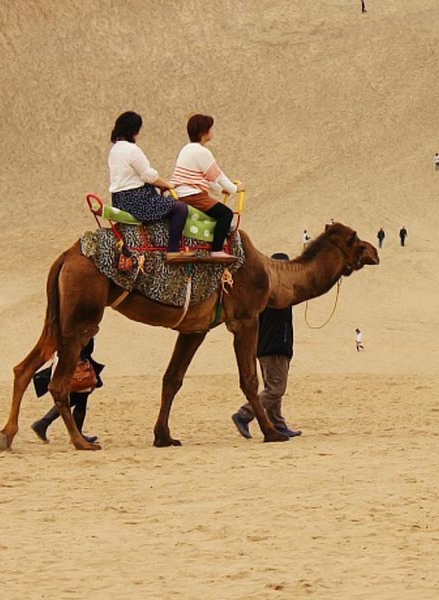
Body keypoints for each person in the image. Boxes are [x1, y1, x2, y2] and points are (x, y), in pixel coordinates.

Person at [232, 253, 301, 439]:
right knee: (275, 389)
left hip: (267, 346)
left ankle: (277, 424)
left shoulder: (264, 290)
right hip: (275, 346)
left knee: (273, 387)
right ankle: (244, 414)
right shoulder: (275, 293)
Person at [107, 111, 187, 256]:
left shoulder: (115, 150)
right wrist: (168, 185)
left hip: (119, 199)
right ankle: (173, 251)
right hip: (136, 200)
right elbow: (148, 175)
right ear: (133, 130)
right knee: (180, 208)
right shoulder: (132, 150)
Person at [169, 114, 243, 260]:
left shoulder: (187, 149)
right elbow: (218, 175)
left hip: (182, 192)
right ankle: (217, 249)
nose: (213, 131)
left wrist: (221, 190)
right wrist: (236, 189)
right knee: (226, 214)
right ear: (204, 131)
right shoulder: (202, 152)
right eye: (211, 128)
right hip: (192, 195)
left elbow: (205, 177)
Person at [31, 338, 103, 444]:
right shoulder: (80, 325)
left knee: (77, 397)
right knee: (81, 396)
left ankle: (45, 424)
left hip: (65, 358)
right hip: (75, 361)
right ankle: (74, 433)